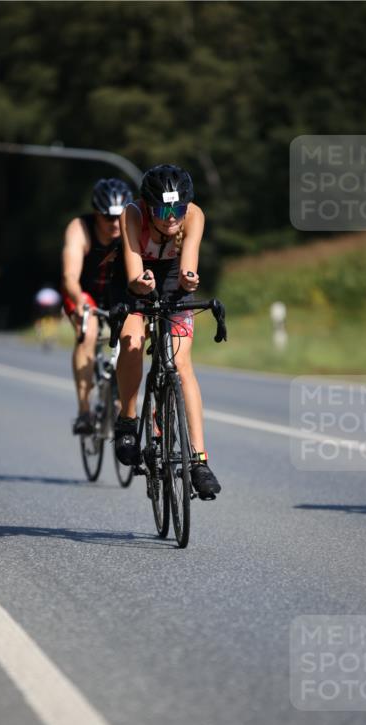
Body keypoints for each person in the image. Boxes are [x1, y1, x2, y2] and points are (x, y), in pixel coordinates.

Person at [110, 163, 221, 499]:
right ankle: (128, 420)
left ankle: (199, 461)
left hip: (172, 276)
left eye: (178, 210)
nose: (171, 218)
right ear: (148, 207)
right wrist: (140, 284)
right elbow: (133, 275)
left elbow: (188, 267)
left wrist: (189, 280)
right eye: (162, 211)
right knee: (131, 341)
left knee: (182, 364)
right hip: (134, 276)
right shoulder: (132, 215)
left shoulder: (194, 215)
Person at [61, 178, 133, 434]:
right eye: (108, 217)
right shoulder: (80, 228)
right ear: (96, 213)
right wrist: (80, 301)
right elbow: (70, 276)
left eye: (119, 217)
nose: (114, 223)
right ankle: (84, 412)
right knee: (89, 333)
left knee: (132, 338)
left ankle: (121, 400)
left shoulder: (132, 228)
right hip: (84, 293)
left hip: (118, 294)